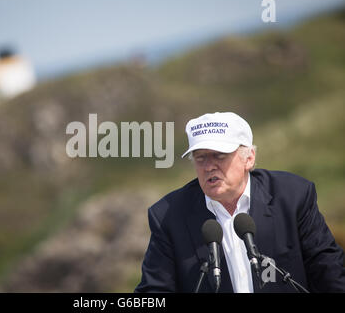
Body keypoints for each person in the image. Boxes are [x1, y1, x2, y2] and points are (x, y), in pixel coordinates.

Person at [135, 112, 345, 293]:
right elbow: (154, 291)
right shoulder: (168, 215)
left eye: (219, 155)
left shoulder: (292, 197)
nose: (209, 167)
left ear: (249, 158)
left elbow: (330, 273)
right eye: (200, 158)